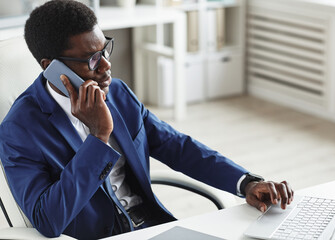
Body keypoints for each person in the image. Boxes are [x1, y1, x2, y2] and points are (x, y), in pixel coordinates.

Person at [0, 0, 294, 239]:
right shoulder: (19, 129)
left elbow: (176, 145)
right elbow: (47, 220)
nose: (106, 66)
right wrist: (98, 137)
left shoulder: (117, 93)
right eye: (92, 60)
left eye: (105, 50)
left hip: (155, 227)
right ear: (51, 68)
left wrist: (246, 183)